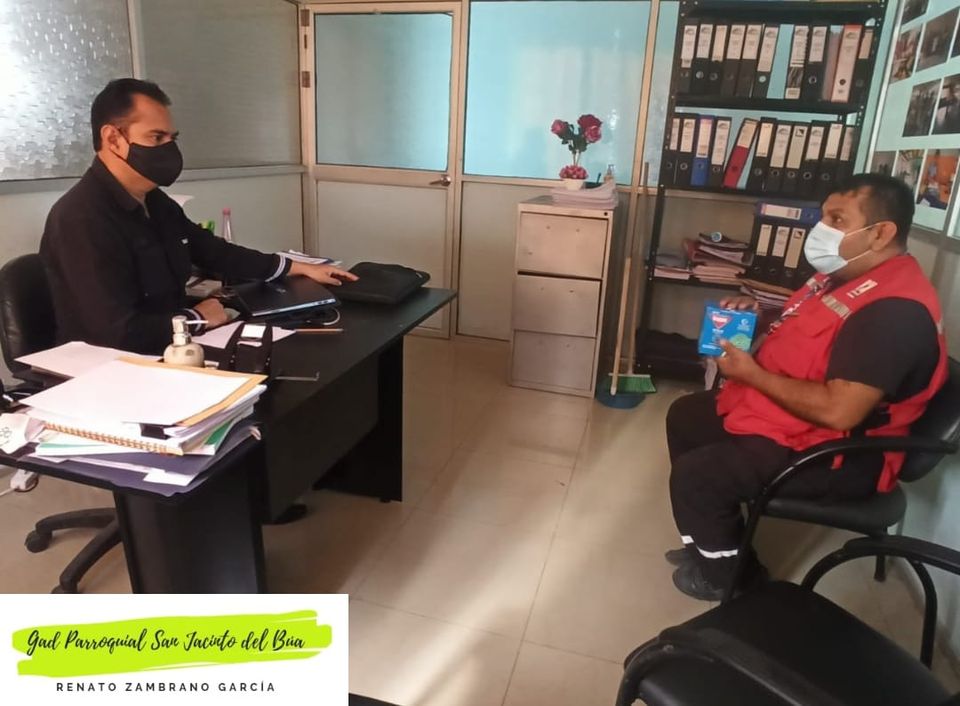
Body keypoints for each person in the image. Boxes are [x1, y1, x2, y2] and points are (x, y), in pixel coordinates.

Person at [665, 173, 947, 601]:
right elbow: (804, 333)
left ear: (881, 233)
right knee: (687, 417)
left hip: (843, 453)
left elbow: (840, 411)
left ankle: (732, 580)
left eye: (837, 219)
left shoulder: (894, 313)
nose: (821, 229)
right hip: (797, 423)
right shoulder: (840, 277)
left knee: (698, 477)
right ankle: (711, 542)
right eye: (824, 216)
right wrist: (756, 318)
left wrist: (752, 375)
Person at [40, 78, 357, 355]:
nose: (169, 149)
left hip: (171, 348)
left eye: (172, 138)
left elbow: (213, 251)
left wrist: (292, 267)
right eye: (156, 138)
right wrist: (196, 318)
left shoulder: (154, 201)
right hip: (109, 372)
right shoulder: (80, 218)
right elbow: (112, 332)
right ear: (113, 139)